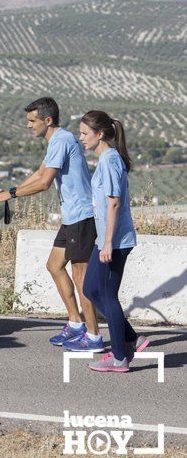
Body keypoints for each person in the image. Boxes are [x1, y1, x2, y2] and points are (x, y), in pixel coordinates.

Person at [0, 97, 103, 352]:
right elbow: (40, 173)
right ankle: (75, 324)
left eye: (32, 121)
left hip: (82, 217)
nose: (28, 125)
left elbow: (44, 183)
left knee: (81, 277)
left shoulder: (61, 140)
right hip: (72, 217)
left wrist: (12, 195)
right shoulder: (56, 141)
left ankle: (94, 337)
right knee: (54, 265)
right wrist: (9, 190)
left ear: (47, 120)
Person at [77, 111, 148, 372]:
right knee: (91, 289)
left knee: (106, 294)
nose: (81, 138)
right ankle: (131, 338)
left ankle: (119, 357)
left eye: (85, 133)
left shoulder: (109, 161)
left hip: (114, 241)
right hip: (106, 239)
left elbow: (114, 202)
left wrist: (107, 242)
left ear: (101, 134)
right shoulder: (108, 159)